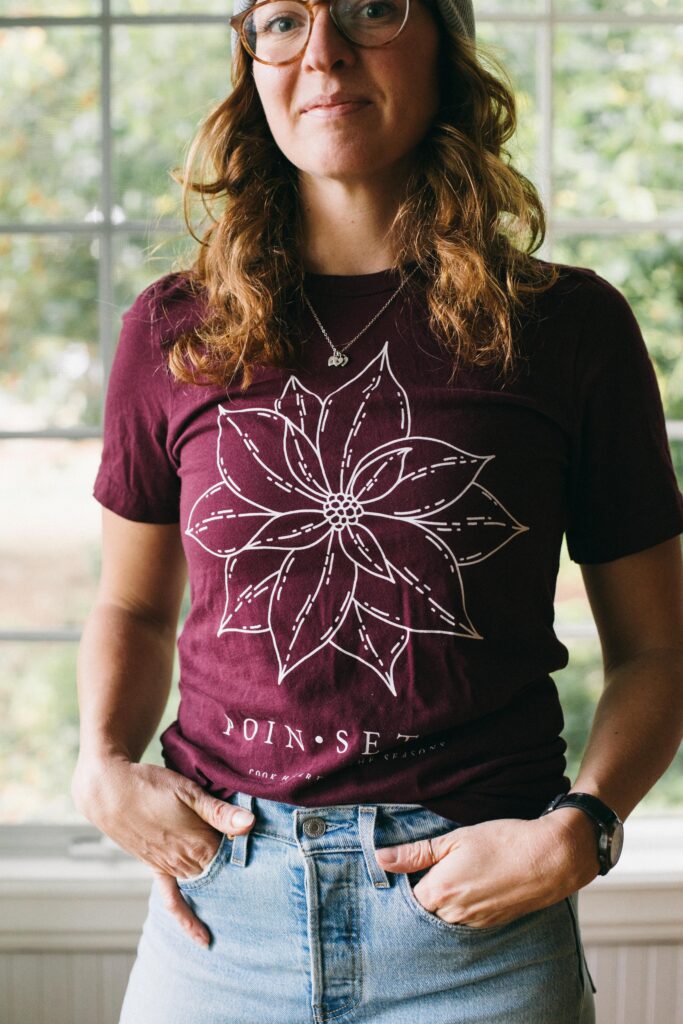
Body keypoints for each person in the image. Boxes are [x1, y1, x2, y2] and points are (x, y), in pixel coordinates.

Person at [71, 0, 683, 1021]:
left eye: (367, 8)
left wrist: (583, 826)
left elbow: (657, 650)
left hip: (474, 925)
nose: (322, 53)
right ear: (249, 59)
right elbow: (131, 609)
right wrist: (98, 765)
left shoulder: (568, 328)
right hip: (222, 920)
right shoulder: (173, 328)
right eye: (280, 19)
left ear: (443, 39)